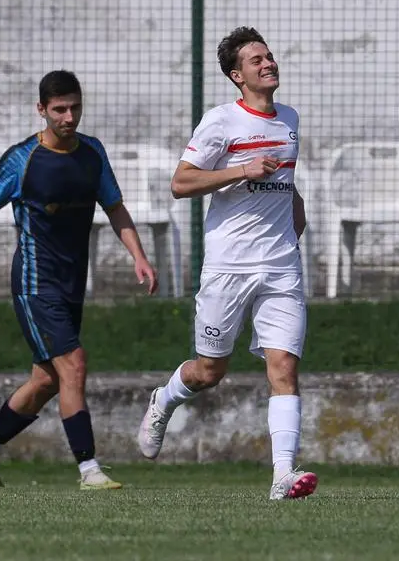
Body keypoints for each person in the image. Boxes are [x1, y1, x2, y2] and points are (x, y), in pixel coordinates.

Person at [136, 26, 316, 501]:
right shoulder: (220, 121)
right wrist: (240, 169)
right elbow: (181, 183)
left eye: (270, 56)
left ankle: (283, 476)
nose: (268, 63)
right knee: (209, 371)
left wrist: (296, 208)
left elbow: (284, 180)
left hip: (281, 265)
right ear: (238, 75)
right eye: (256, 60)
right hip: (228, 266)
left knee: (283, 367)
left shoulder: (289, 119)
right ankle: (164, 399)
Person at [0, 70, 158, 490]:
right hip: (34, 281)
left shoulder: (92, 153)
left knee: (47, 380)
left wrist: (138, 256)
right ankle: (89, 470)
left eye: (75, 107)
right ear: (42, 110)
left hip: (71, 282)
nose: (69, 117)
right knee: (74, 364)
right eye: (60, 109)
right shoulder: (21, 159)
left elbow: (115, 207)